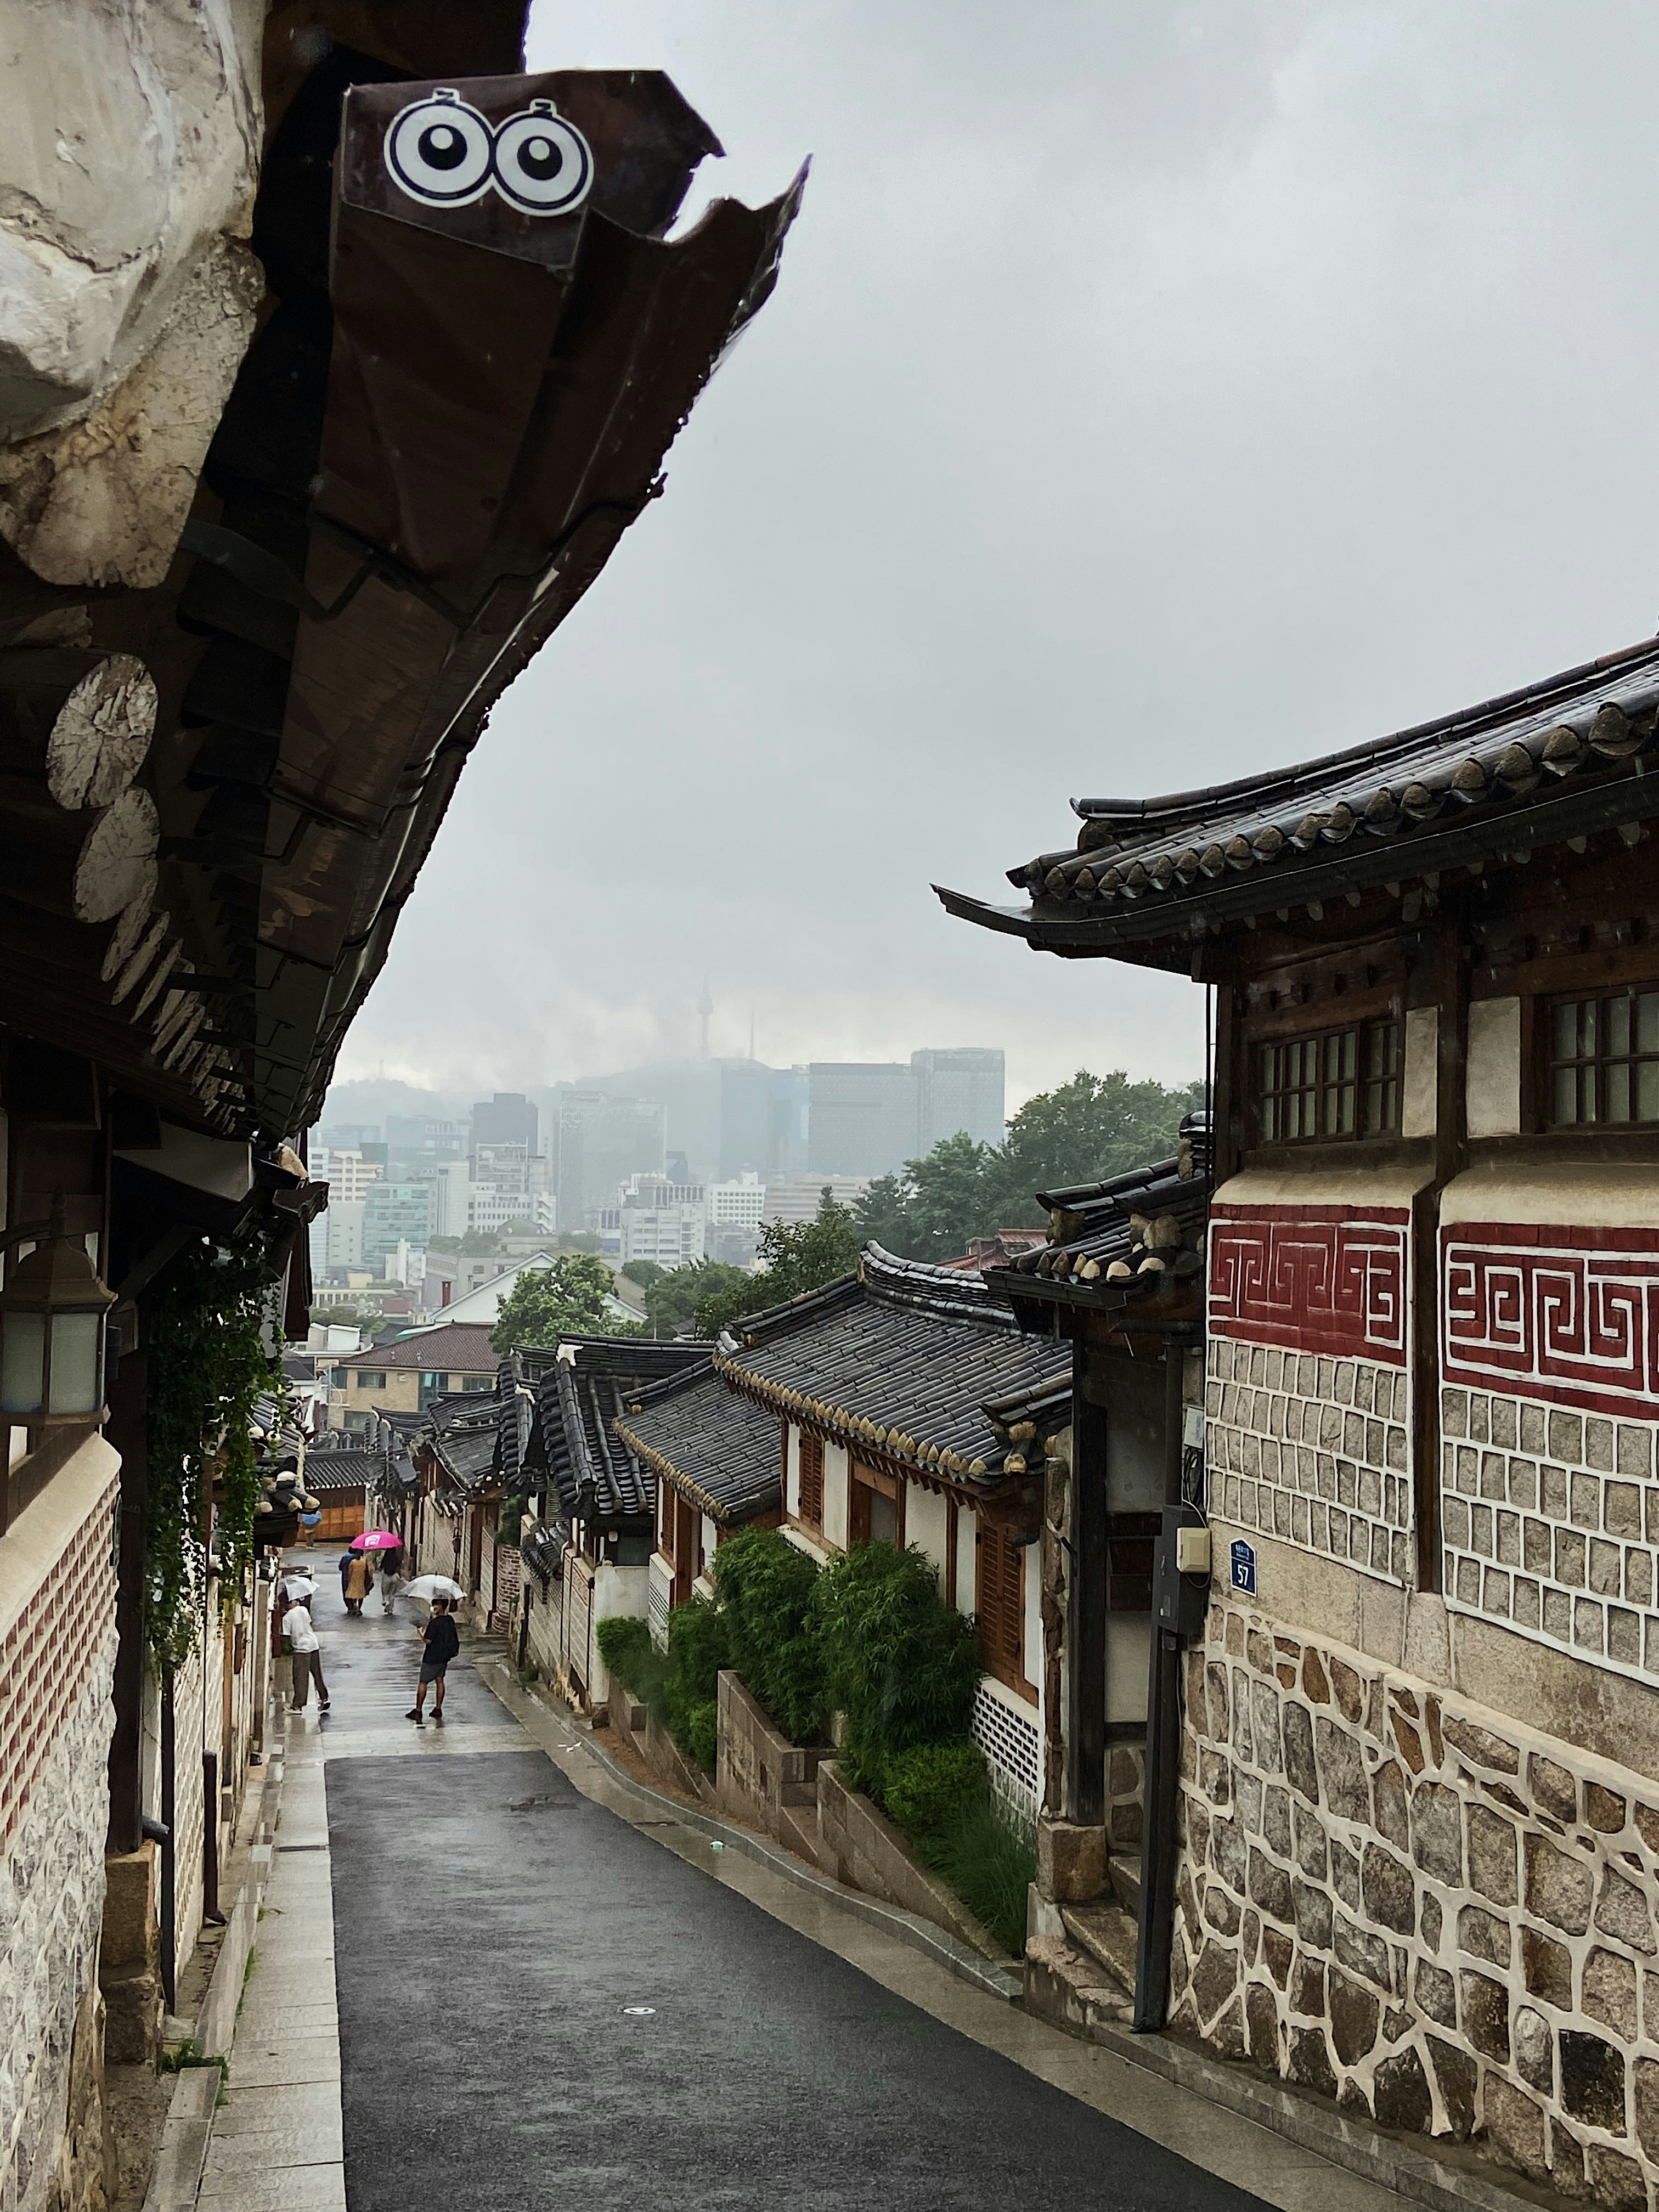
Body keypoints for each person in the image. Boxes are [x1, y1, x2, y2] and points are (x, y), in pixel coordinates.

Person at [407, 1595, 459, 1725]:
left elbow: (428, 1641)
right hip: (444, 1657)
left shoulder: (435, 1623)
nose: (434, 1608)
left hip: (432, 1657)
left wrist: (421, 1633)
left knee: (423, 1682)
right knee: (440, 1681)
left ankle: (418, 1710)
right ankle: (438, 1708)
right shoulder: (449, 1620)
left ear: (441, 1607)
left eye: (436, 1605)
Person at [286, 1584, 330, 1711]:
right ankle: (324, 1698)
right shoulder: (304, 1610)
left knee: (300, 1677)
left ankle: (298, 1706)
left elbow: (285, 1636)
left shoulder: (287, 1618)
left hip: (301, 1649)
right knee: (317, 1674)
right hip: (313, 1644)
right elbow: (309, 1623)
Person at [343, 1547, 373, 1616]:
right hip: (362, 1579)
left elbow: (350, 1572)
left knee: (354, 1594)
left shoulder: (353, 1562)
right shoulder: (364, 1561)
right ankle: (359, 1608)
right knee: (361, 1595)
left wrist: (349, 1579)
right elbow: (367, 1570)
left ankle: (354, 1606)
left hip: (354, 1579)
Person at [379, 1539, 404, 1616]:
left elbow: (381, 1567)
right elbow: (399, 1566)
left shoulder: (386, 1558)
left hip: (387, 1576)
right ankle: (390, 1609)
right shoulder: (397, 1558)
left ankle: (385, 1601)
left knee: (385, 1592)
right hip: (395, 1576)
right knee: (392, 1594)